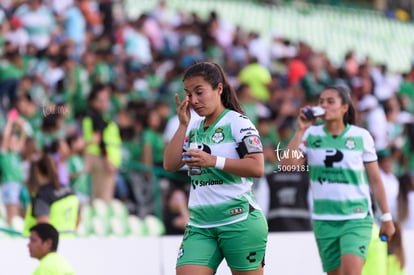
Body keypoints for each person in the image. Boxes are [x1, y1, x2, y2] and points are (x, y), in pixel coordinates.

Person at [163, 61, 268, 275]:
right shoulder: (192, 127)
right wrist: (183, 125)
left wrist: (213, 161)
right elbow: (170, 164)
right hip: (200, 225)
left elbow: (257, 167)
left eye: (199, 92)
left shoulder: (239, 122)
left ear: (219, 88)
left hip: (239, 221)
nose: (193, 100)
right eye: (189, 94)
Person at [281, 85, 395, 275]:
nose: (324, 105)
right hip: (324, 219)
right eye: (321, 102)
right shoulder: (310, 135)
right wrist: (300, 131)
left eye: (330, 101)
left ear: (344, 107)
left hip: (356, 218)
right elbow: (287, 166)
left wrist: (386, 217)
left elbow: (375, 180)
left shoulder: (361, 137)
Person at [23, 152, 79, 239]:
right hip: (69, 239)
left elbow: (43, 229)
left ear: (37, 170)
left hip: (48, 246)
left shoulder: (42, 195)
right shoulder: (69, 190)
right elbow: (78, 218)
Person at [82, 83, 122, 203]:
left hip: (101, 158)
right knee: (102, 198)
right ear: (93, 101)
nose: (105, 103)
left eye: (106, 99)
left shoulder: (98, 116)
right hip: (101, 160)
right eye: (101, 100)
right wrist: (107, 161)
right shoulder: (95, 117)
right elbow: (100, 141)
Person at [0, 112, 26, 225]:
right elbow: (5, 136)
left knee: (17, 212)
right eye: (12, 140)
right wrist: (10, 121)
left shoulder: (16, 154)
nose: (15, 142)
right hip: (10, 184)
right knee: (11, 212)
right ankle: (11, 232)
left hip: (17, 185)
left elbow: (22, 138)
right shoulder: (4, 155)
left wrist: (21, 127)